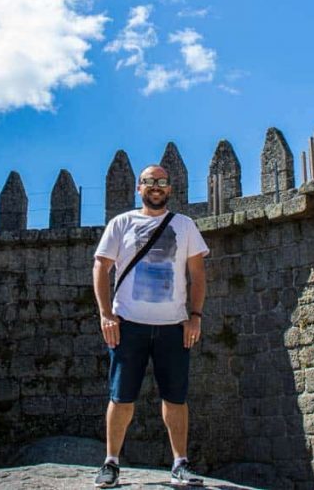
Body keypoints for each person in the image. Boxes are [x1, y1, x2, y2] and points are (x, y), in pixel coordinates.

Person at [92, 164, 209, 488]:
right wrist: (106, 314)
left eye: (161, 182)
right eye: (149, 182)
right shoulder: (122, 223)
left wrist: (194, 315)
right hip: (128, 324)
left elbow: (197, 274)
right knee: (121, 397)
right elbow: (101, 268)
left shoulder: (184, 226)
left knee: (175, 397)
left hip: (173, 326)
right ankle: (111, 463)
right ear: (138, 188)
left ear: (170, 189)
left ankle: (180, 464)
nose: (155, 187)